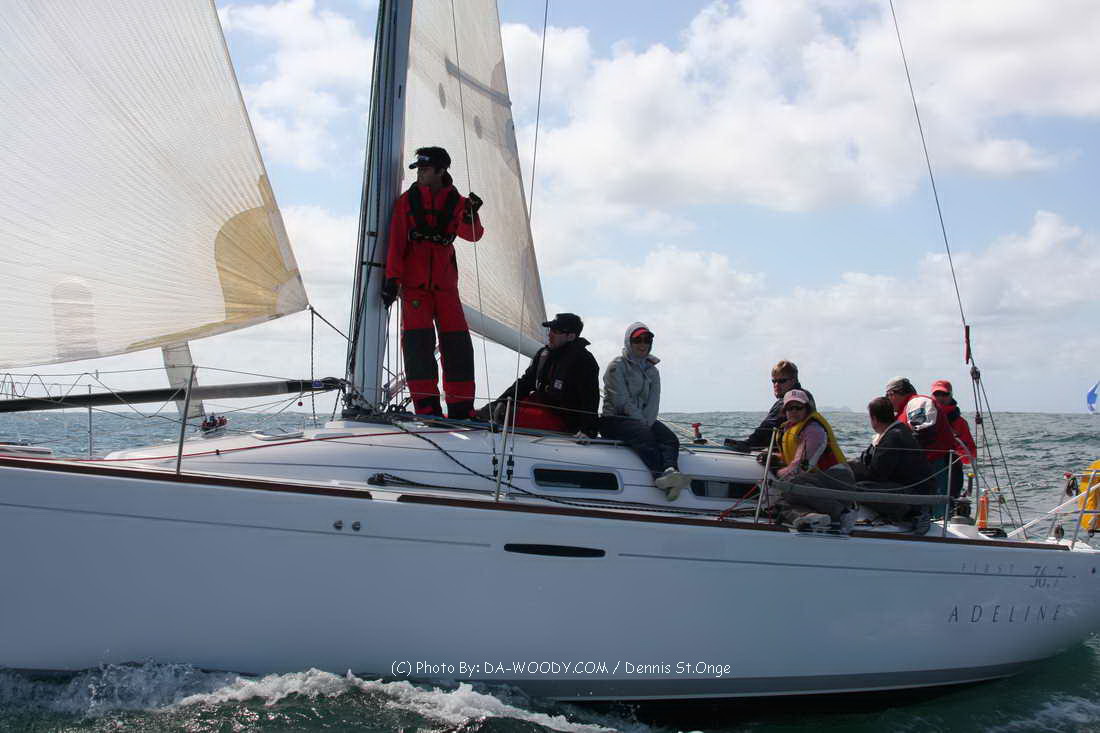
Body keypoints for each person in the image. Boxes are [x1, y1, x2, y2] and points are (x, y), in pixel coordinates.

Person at [382, 146, 484, 419]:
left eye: (425, 170)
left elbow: (473, 235)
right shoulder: (406, 202)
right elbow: (396, 244)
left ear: (441, 171)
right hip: (415, 288)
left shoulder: (460, 203)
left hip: (446, 288)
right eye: (419, 170)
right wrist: (392, 279)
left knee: (458, 346)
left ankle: (461, 408)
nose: (420, 174)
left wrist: (470, 215)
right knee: (417, 346)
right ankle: (427, 407)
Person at [778, 397, 934, 532]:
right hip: (890, 485)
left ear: (874, 418)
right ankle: (818, 513)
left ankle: (841, 512)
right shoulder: (896, 433)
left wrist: (851, 469)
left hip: (899, 492)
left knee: (796, 485)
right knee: (797, 487)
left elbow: (878, 474)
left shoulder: (893, 438)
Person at [599, 323, 687, 500]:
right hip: (614, 419)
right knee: (644, 435)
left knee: (670, 438)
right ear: (628, 342)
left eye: (647, 340)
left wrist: (647, 422)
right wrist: (643, 423)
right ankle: (658, 476)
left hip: (643, 420)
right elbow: (621, 401)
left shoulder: (652, 370)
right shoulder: (617, 366)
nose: (643, 344)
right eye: (637, 340)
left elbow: (654, 402)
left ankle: (671, 472)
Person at [482, 313, 600, 436]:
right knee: (499, 409)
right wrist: (500, 402)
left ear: (571, 336)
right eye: (550, 329)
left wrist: (588, 430)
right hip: (539, 407)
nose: (550, 334)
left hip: (562, 419)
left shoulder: (583, 361)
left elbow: (590, 398)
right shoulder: (544, 355)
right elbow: (525, 383)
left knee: (507, 415)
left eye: (556, 331)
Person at [724, 360, 814, 451]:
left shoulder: (791, 400)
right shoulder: (805, 396)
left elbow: (770, 427)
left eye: (782, 381)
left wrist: (748, 444)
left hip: (793, 454)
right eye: (774, 381)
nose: (776, 385)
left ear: (793, 380)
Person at [770, 390, 845, 480]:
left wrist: (775, 472)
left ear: (807, 409)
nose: (794, 411)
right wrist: (773, 458)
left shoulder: (814, 430)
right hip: (813, 477)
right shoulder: (787, 428)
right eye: (790, 408)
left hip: (835, 478)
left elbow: (801, 467)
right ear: (784, 411)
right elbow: (791, 457)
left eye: (798, 407)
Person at [930, 379, 978, 499]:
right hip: (927, 469)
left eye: (944, 394)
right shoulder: (923, 417)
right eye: (937, 394)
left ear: (951, 395)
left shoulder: (960, 423)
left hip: (950, 470)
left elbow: (970, 454)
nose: (940, 397)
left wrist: (954, 444)